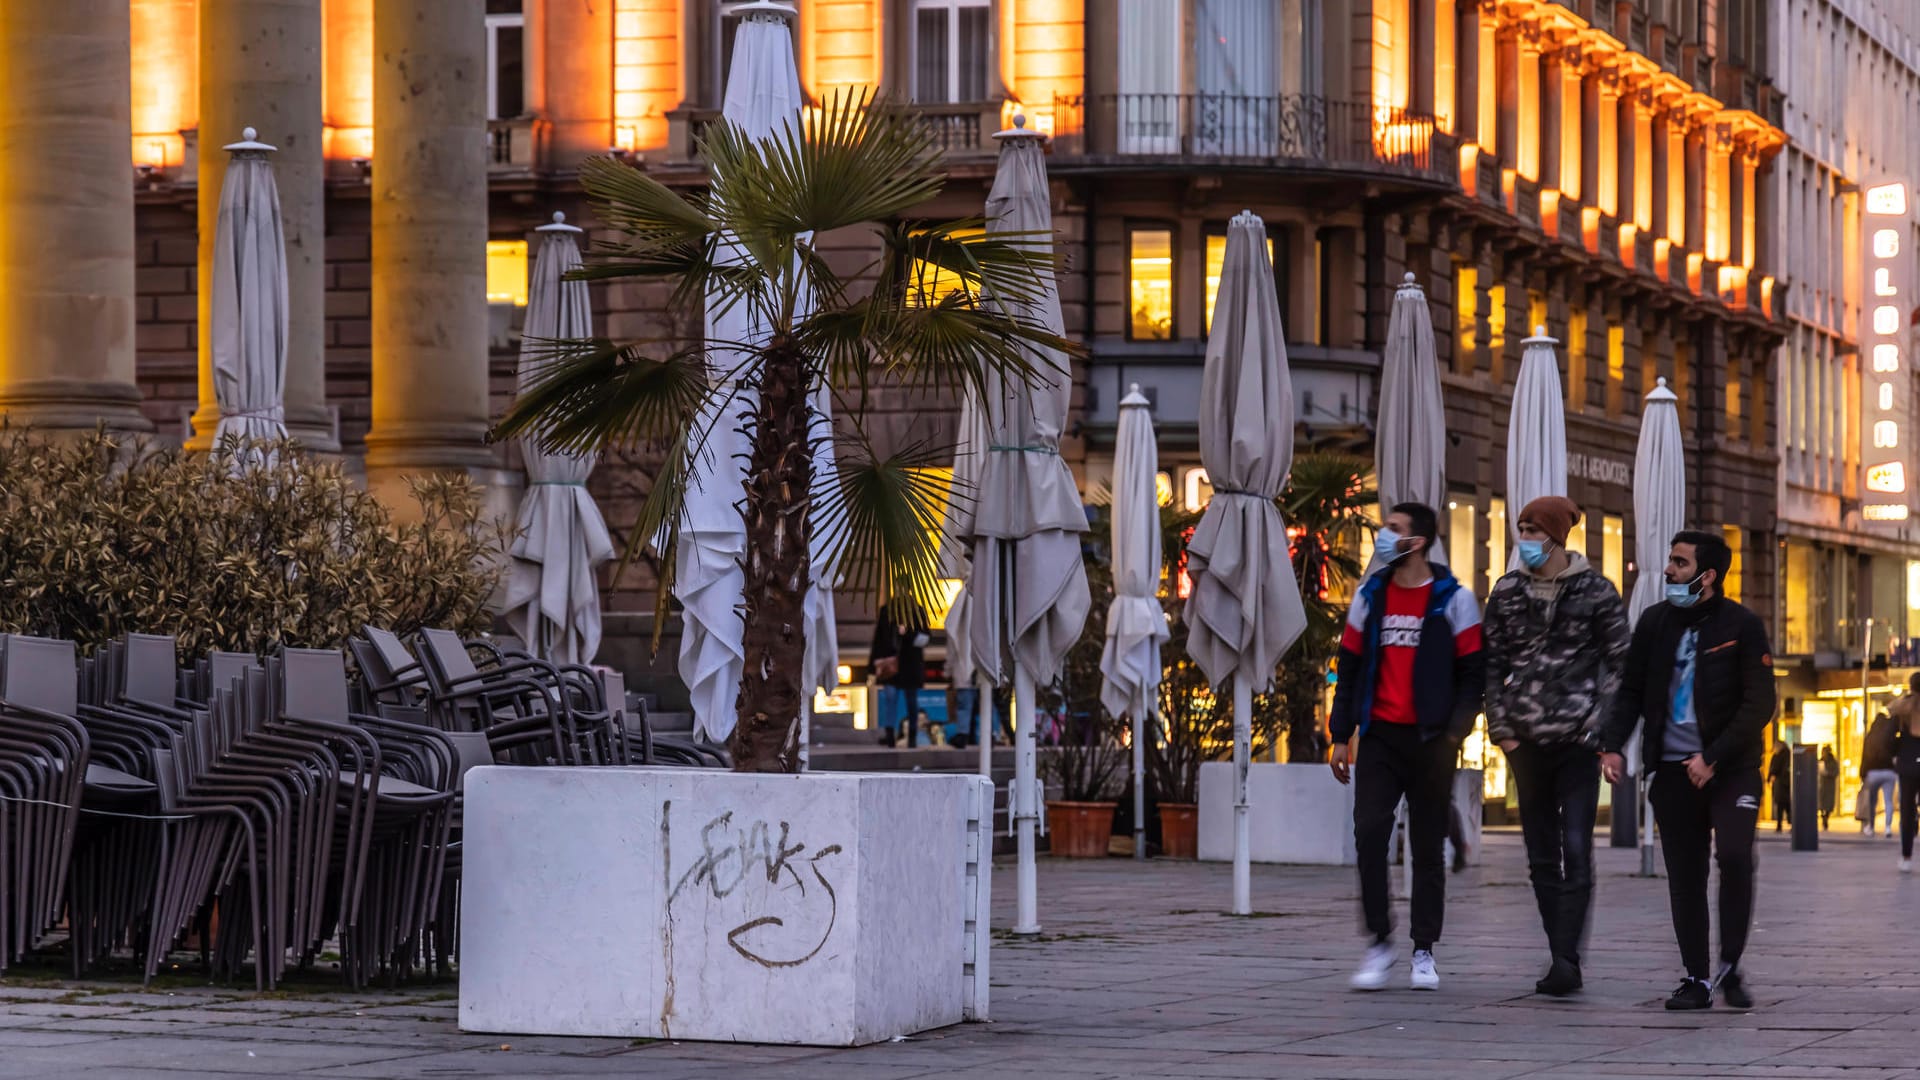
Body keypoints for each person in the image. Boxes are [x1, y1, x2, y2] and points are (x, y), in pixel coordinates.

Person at [1600, 530, 1773, 1012]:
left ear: (1707, 575)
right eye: (1670, 561)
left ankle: (1729, 966)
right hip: (1673, 772)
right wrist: (1613, 745)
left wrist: (1712, 755)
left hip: (1730, 768)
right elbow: (1631, 690)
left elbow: (1760, 702)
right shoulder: (1655, 623)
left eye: (1679, 563)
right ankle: (1696, 977)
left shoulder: (1742, 624)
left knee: (1735, 856)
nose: (1668, 570)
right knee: (1685, 875)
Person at [1329, 502, 1485, 993]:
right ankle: (1379, 941)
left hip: (1431, 740)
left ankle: (1424, 950)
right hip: (1379, 738)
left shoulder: (1453, 600)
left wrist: (1455, 731)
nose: (1382, 535)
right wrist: (1339, 734)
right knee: (1370, 832)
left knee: (1427, 848)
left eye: (1392, 530)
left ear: (1415, 542)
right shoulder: (1369, 597)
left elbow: (1474, 675)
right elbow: (1349, 667)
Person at [1482, 496, 1630, 997]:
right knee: (1541, 854)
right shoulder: (1506, 592)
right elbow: (1491, 664)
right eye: (1519, 528)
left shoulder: (1596, 591)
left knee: (1576, 849)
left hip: (1577, 742)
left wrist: (1600, 731)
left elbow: (1619, 664)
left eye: (1530, 528)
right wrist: (1501, 727)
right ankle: (1559, 955)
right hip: (1524, 743)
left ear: (1555, 535)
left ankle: (1567, 959)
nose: (1522, 537)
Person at [868, 604, 928, 748]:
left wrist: (907, 634)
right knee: (894, 698)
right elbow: (879, 638)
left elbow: (924, 636)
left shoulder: (915, 611)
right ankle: (891, 735)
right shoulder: (888, 611)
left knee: (908, 700)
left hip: (907, 664)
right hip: (894, 663)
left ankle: (907, 735)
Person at [1894, 683, 1920, 871]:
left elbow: (1888, 709)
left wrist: (1906, 696)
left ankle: (1906, 857)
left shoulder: (1904, 706)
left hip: (1907, 765)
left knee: (1907, 810)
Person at [1862, 709, 1899, 837]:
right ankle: (1888, 828)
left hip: (1873, 773)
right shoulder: (1890, 737)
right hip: (1889, 772)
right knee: (1889, 801)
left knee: (1872, 801)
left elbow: (1864, 757)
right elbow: (1896, 753)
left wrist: (1862, 773)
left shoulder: (1870, 737)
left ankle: (1871, 827)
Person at [1767, 742, 1793, 833]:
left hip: (1781, 784)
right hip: (1783, 785)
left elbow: (1775, 768)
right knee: (1785, 806)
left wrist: (1771, 777)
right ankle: (1786, 825)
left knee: (1783, 806)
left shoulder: (1782, 755)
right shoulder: (1784, 755)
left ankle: (1780, 825)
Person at [1819, 746, 1840, 831]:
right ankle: (1823, 817)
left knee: (1828, 804)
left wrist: (1828, 773)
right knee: (1821, 804)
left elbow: (1836, 772)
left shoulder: (1833, 762)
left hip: (1829, 785)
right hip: (1821, 786)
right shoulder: (1820, 761)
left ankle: (1826, 817)